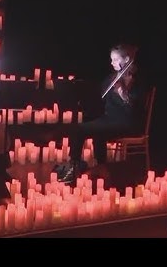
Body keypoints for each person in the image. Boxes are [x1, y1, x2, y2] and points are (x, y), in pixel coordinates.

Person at [59, 44, 147, 183]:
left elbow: (135, 105)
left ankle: (73, 166)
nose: (112, 63)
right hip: (109, 119)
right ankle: (99, 166)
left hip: (127, 122)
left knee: (81, 129)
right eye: (111, 59)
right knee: (84, 128)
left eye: (115, 59)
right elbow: (99, 97)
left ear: (127, 59)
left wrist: (124, 95)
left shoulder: (136, 80)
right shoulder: (112, 78)